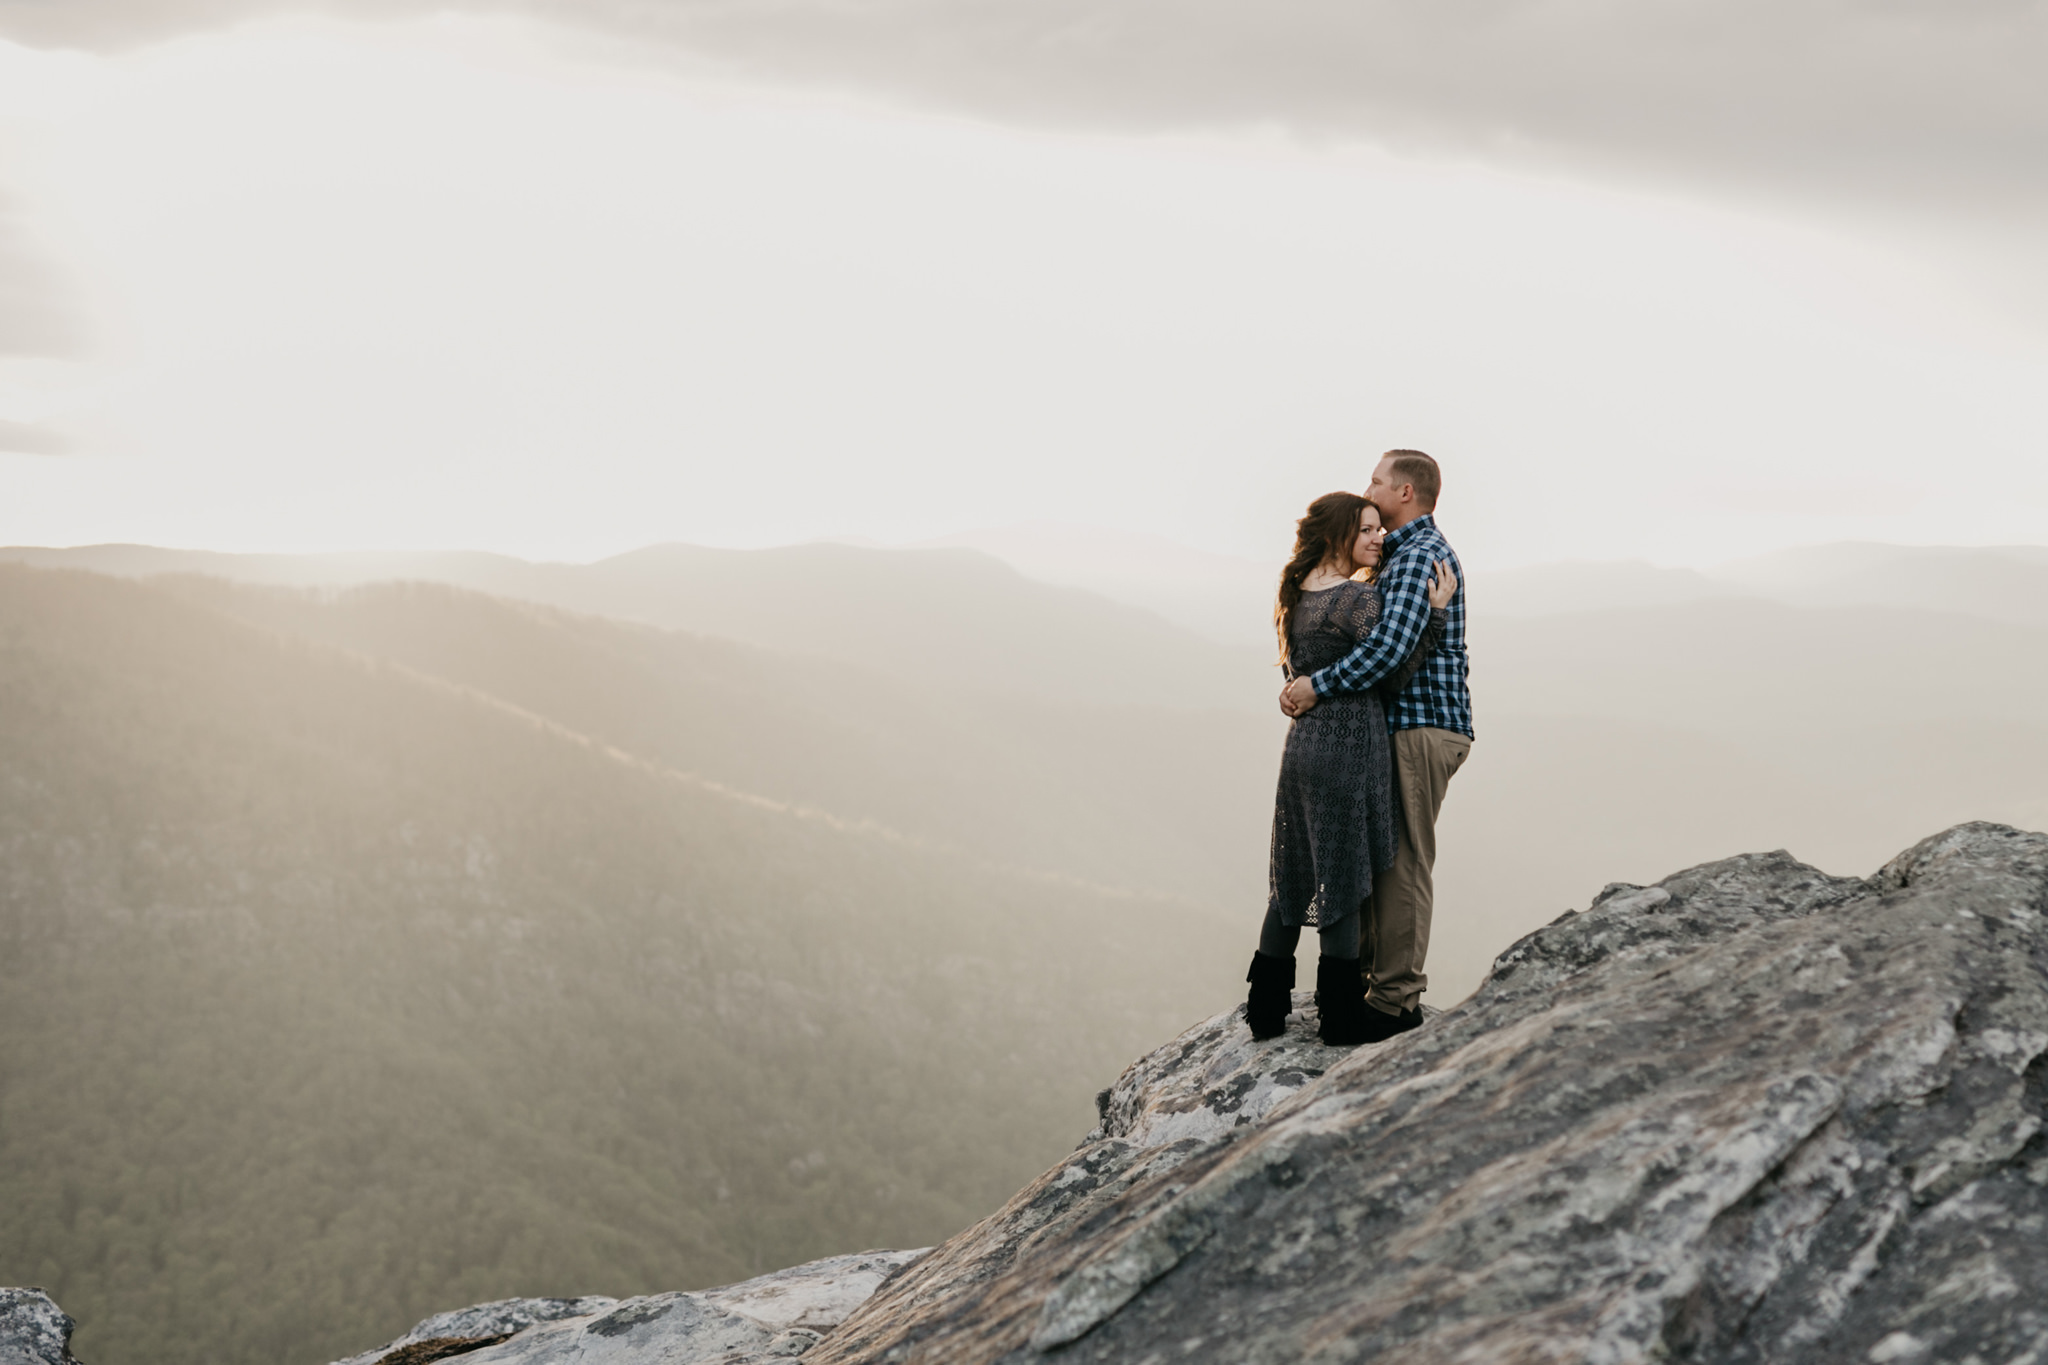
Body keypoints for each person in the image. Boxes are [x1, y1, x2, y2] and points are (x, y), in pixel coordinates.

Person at [1247, 491, 1455, 1045]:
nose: (1377, 538)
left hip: (1302, 749)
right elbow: (1393, 673)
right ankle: (1340, 1019)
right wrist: (1435, 615)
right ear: (1337, 535)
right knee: (1341, 880)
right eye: (1365, 530)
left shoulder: (1297, 595)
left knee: (1292, 876)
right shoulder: (1356, 600)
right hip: (1347, 749)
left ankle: (1265, 1011)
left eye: (1378, 529)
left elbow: (1297, 675)